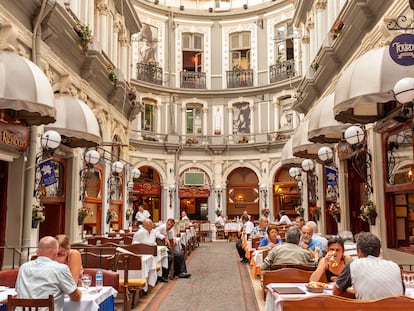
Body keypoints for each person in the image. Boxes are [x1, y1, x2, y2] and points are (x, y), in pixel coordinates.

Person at [15, 236, 82, 311]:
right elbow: (76, 297)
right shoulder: (60, 269)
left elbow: (18, 291)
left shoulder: (23, 268)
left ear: (37, 252)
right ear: (55, 252)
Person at [333, 232, 404, 299]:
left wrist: (353, 292)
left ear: (358, 251)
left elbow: (336, 293)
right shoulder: (394, 266)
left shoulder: (354, 264)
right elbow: (402, 292)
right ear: (379, 251)